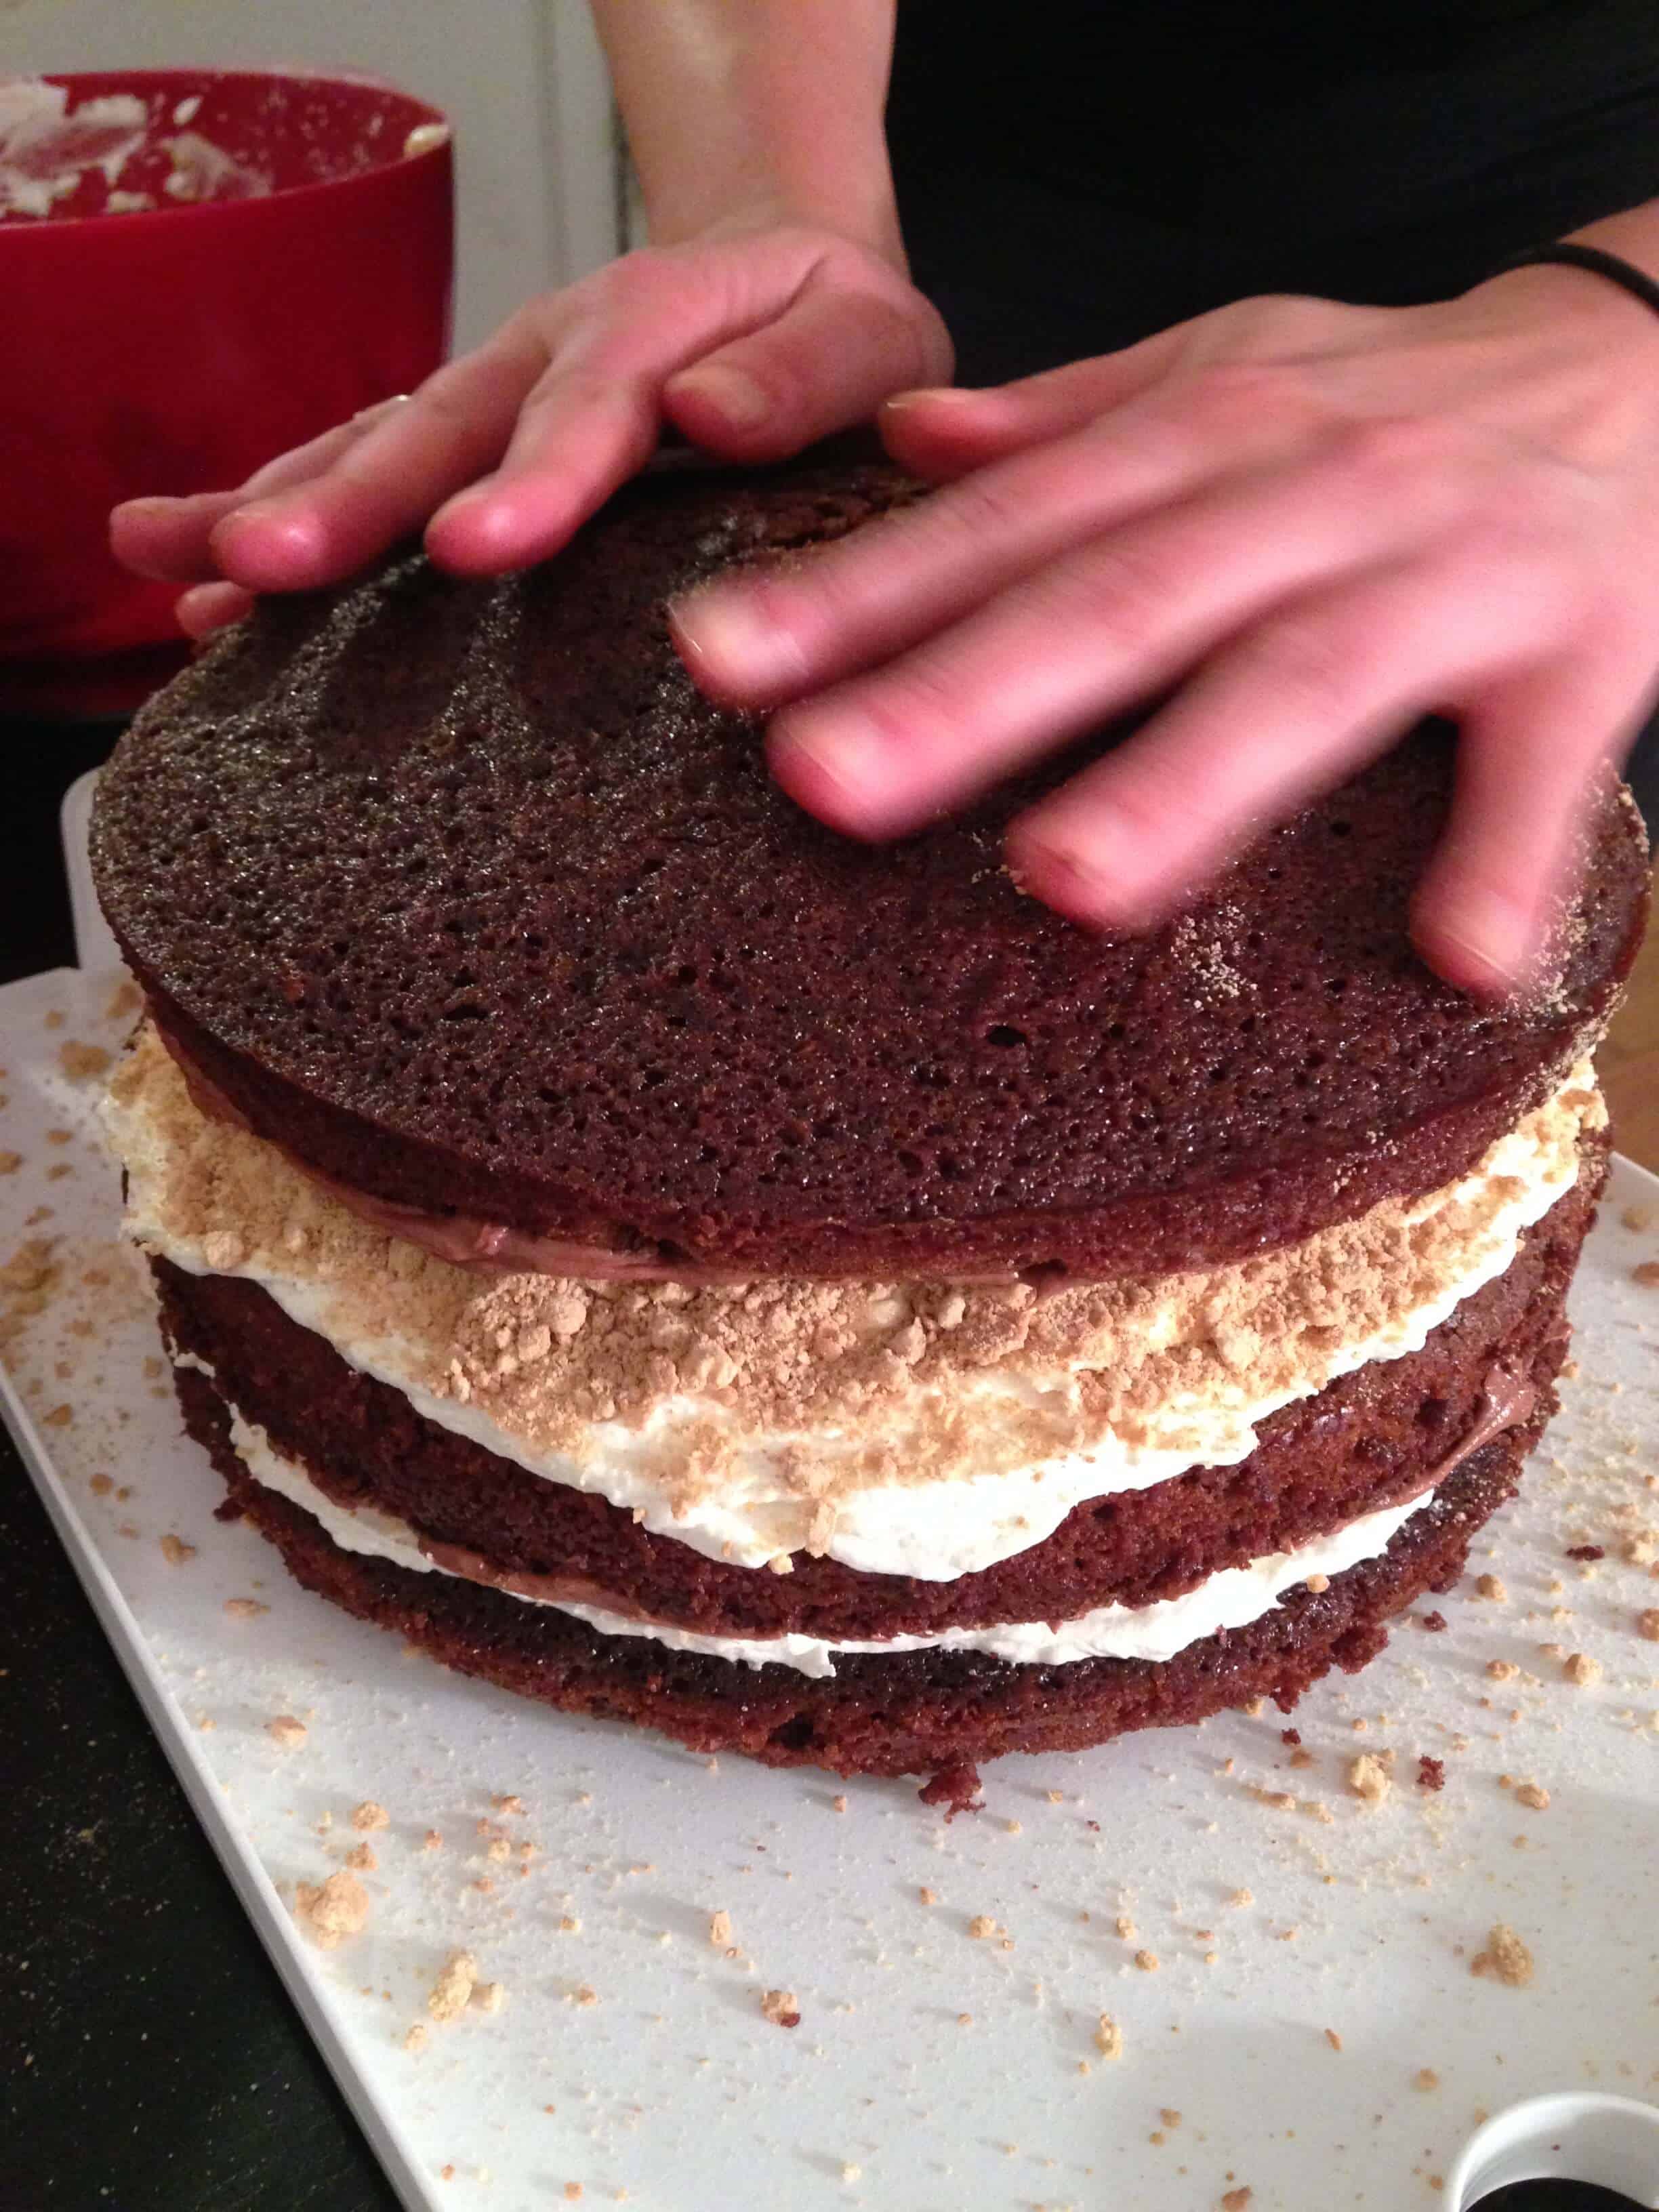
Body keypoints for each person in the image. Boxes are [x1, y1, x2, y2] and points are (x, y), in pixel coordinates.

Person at [110, 2, 1659, 996]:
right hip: (947, 226)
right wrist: (770, 207)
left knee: (1463, 919)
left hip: (1579, 357)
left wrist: (1625, 331)